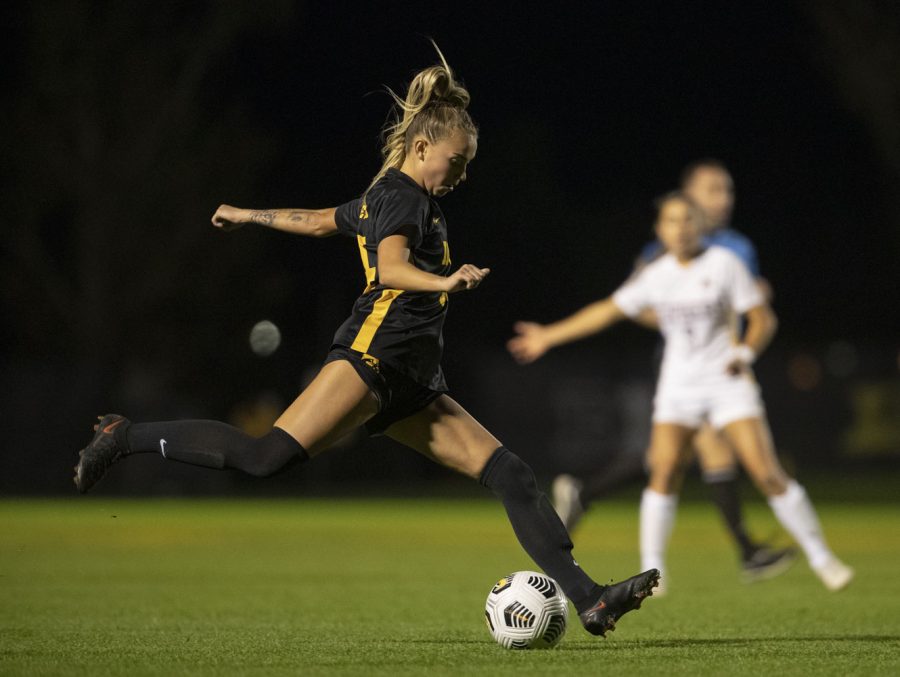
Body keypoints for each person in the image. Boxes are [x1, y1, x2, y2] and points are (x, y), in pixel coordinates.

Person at [73, 46, 658, 636]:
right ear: (423, 147)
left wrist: (250, 214)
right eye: (457, 161)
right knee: (263, 457)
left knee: (511, 476)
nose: (462, 174)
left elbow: (321, 218)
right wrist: (445, 281)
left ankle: (591, 599)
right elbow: (393, 269)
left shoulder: (393, 197)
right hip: (372, 360)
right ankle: (124, 436)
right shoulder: (402, 197)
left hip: (413, 383)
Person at [508, 191, 854, 594]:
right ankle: (654, 572)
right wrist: (549, 335)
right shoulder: (657, 274)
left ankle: (821, 557)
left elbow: (763, 319)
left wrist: (744, 352)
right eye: (672, 221)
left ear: (700, 226)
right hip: (680, 386)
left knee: (766, 472)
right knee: (664, 470)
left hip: (727, 380)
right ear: (660, 229)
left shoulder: (724, 264)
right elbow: (607, 309)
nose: (681, 228)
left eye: (688, 220)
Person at [552, 159, 795, 584]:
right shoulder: (663, 250)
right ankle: (746, 552)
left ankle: (584, 492)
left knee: (671, 461)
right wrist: (678, 316)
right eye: (714, 190)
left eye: (728, 190)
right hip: (685, 370)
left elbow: (747, 308)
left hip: (727, 369)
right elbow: (633, 304)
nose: (724, 199)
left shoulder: (738, 246)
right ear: (690, 197)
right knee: (700, 455)